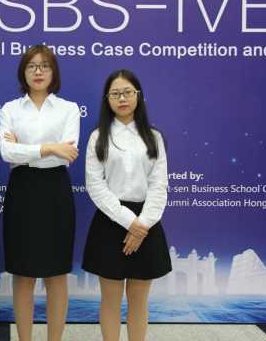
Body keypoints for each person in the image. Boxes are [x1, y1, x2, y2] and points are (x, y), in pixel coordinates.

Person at [82, 69, 171, 341]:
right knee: (110, 299)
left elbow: (159, 185)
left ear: (138, 96)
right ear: (107, 99)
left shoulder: (154, 137)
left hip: (147, 222)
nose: (122, 98)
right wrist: (129, 222)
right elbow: (95, 186)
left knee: (139, 300)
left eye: (127, 92)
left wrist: (141, 225)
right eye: (115, 94)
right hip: (110, 221)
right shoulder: (98, 137)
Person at [0, 45, 80, 341]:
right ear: (23, 72)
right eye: (32, 66)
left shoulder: (68, 109)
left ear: (53, 72)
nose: (38, 71)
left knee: (57, 274)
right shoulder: (10, 109)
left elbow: (67, 153)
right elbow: (7, 152)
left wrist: (26, 148)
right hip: (22, 190)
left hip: (55, 190)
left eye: (44, 66)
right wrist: (48, 147)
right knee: (23, 274)